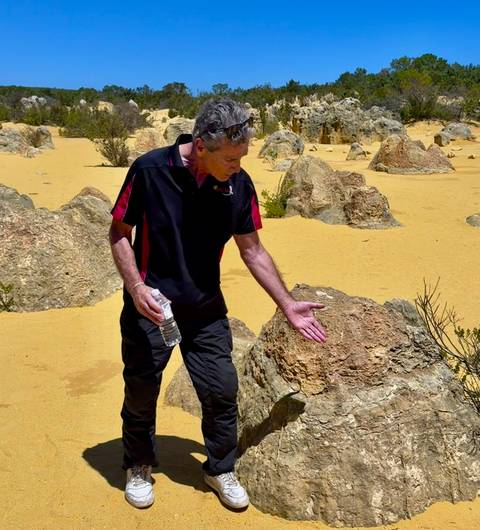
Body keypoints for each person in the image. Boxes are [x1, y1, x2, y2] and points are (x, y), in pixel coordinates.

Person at [109, 98, 327, 510]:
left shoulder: (237, 186)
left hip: (206, 308)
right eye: (230, 158)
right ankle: (138, 465)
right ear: (202, 147)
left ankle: (219, 468)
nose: (238, 166)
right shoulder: (150, 170)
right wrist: (136, 287)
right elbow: (119, 232)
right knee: (141, 390)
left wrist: (288, 304)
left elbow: (253, 250)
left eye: (242, 156)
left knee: (222, 390)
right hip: (151, 307)